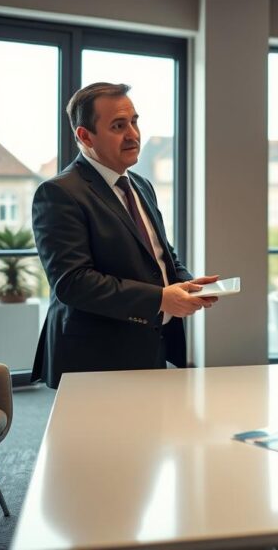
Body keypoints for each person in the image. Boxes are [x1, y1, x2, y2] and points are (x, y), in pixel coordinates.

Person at [32, 82, 218, 389]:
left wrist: (186, 284)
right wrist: (160, 299)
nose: (132, 134)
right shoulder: (58, 193)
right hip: (94, 359)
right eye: (119, 125)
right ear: (84, 135)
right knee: (100, 439)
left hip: (149, 345)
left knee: (149, 436)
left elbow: (160, 253)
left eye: (134, 121)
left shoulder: (141, 185)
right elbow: (72, 282)